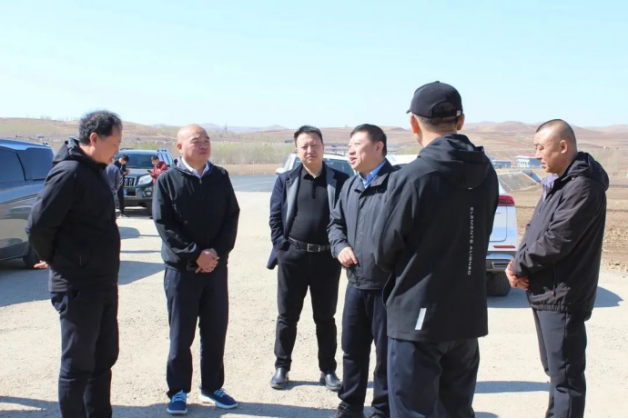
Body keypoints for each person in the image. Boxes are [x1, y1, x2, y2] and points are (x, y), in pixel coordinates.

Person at [373, 82, 499, 418]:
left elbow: (384, 251)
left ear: (413, 123)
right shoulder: (487, 173)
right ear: (461, 121)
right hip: (466, 316)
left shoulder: (413, 177)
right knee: (457, 410)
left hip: (418, 318)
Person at [507, 119, 609, 419]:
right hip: (547, 291)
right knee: (556, 372)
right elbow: (536, 229)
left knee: (566, 378)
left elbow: (557, 240)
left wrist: (518, 265)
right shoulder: (559, 183)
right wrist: (517, 265)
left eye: (541, 148)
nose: (537, 155)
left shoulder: (582, 186)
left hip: (562, 294)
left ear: (563, 146)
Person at [26, 111, 123, 419]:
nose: (117, 150)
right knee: (78, 364)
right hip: (78, 284)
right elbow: (38, 225)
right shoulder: (69, 173)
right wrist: (58, 259)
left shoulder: (95, 172)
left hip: (102, 282)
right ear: (94, 139)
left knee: (103, 358)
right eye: (114, 143)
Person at [153, 125, 240, 416]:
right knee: (181, 335)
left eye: (206, 140)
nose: (203, 145)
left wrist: (215, 253)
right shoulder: (168, 179)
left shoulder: (220, 177)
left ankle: (212, 387)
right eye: (196, 141)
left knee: (215, 331)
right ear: (179, 147)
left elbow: (231, 217)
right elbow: (164, 224)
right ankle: (178, 391)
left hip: (215, 268)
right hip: (182, 272)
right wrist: (195, 254)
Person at [268, 125, 349, 392]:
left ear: (323, 147)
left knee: (325, 318)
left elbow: (349, 217)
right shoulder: (287, 180)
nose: (310, 149)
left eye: (314, 144)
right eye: (304, 145)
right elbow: (275, 217)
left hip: (327, 259)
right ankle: (282, 367)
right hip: (293, 258)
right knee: (287, 316)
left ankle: (328, 370)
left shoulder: (340, 180)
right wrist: (282, 247)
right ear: (297, 149)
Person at [328, 124, 395, 419]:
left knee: (386, 353)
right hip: (356, 283)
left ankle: (383, 409)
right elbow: (335, 224)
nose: (350, 151)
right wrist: (339, 246)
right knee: (352, 349)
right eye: (349, 146)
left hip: (387, 287)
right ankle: (350, 405)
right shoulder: (350, 186)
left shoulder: (397, 185)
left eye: (357, 144)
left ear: (378, 147)